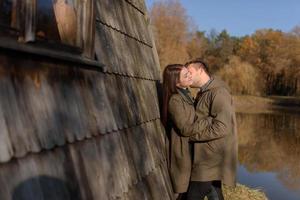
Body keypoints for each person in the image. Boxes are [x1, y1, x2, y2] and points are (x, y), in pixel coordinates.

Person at [182, 59, 238, 200]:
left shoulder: (218, 92)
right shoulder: (204, 92)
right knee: (214, 193)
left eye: (190, 72)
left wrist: (191, 137)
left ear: (201, 70)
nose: (188, 76)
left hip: (209, 159)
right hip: (206, 156)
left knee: (192, 196)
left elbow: (222, 127)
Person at [161, 64, 213, 199]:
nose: (190, 76)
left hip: (191, 150)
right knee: (184, 193)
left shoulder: (186, 94)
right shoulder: (175, 100)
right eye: (186, 75)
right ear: (176, 82)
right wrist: (208, 120)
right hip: (183, 152)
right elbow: (185, 129)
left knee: (201, 187)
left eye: (188, 72)